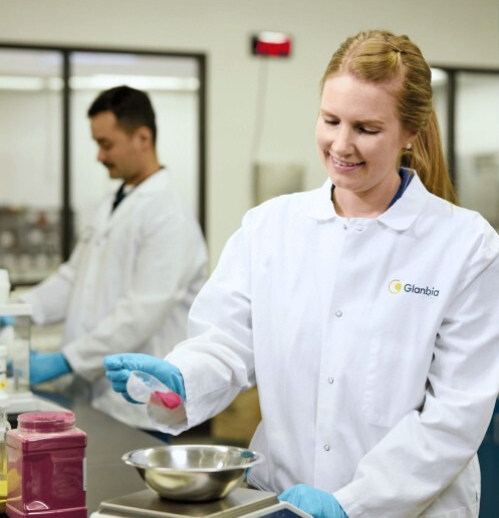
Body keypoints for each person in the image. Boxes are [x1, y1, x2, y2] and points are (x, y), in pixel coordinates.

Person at [104, 31, 499, 517]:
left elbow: (454, 416)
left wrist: (352, 504)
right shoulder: (270, 227)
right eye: (330, 120)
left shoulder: (465, 245)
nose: (341, 144)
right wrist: (184, 376)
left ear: (411, 133)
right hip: (278, 501)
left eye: (366, 129)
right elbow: (228, 342)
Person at [21, 85, 207, 430]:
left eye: (106, 144)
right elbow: (73, 278)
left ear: (142, 137)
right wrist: (19, 309)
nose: (99, 157)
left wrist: (66, 360)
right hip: (91, 396)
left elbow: (140, 313)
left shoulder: (170, 216)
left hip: (136, 406)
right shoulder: (111, 204)